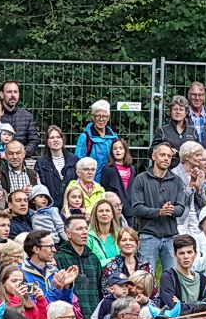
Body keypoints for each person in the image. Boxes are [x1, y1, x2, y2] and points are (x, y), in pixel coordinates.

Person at [127, 142, 186, 273]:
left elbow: (181, 208)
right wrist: (159, 212)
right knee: (145, 277)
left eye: (169, 156)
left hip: (171, 236)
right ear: (154, 156)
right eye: (163, 155)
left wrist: (171, 210)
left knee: (171, 277)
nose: (166, 158)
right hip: (148, 234)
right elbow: (137, 208)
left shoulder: (177, 181)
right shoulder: (141, 179)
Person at [77, 101, 119, 169]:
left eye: (104, 116)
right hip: (91, 178)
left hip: (110, 178)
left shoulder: (114, 137)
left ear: (108, 118)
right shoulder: (85, 137)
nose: (101, 119)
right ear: (92, 117)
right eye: (98, 116)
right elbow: (78, 163)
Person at [98, 137, 136, 202]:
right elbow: (104, 187)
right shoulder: (107, 168)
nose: (118, 150)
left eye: (121, 148)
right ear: (112, 152)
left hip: (129, 201)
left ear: (125, 150)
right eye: (115, 149)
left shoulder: (131, 168)